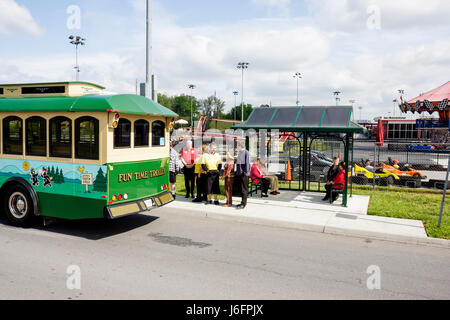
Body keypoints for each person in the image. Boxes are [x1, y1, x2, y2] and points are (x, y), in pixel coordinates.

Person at [235, 141, 251, 210]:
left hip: (244, 174)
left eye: (237, 146)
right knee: (241, 188)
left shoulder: (246, 152)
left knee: (244, 189)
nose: (237, 148)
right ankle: (242, 202)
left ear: (240, 146)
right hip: (240, 173)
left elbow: (247, 163)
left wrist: (245, 172)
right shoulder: (240, 153)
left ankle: (244, 203)